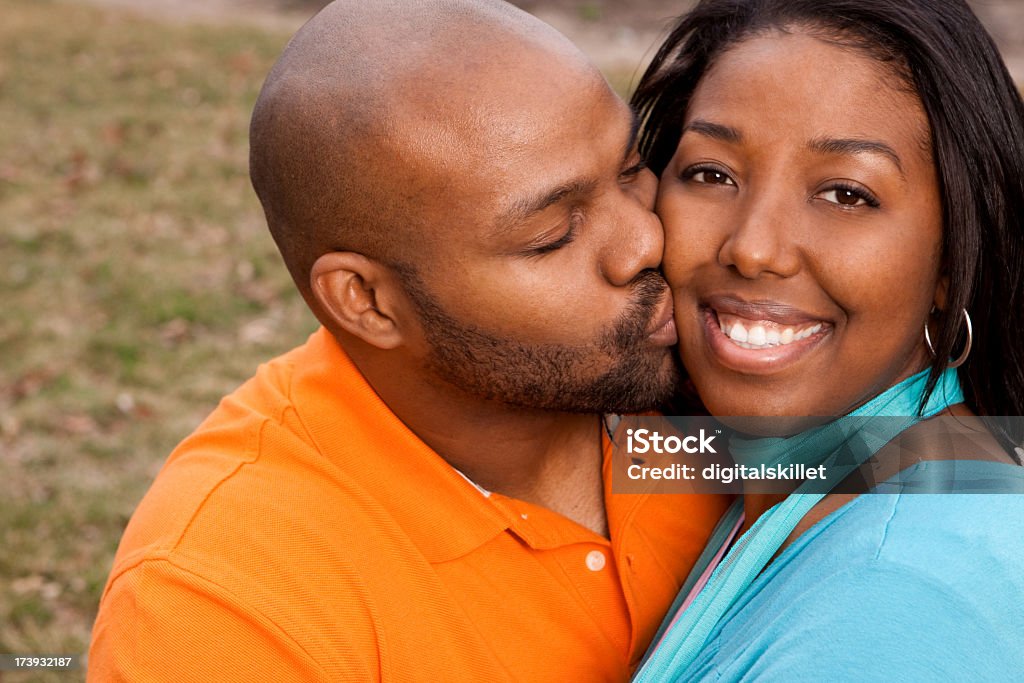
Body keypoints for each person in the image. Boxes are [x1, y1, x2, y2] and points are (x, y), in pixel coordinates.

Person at [87, 1, 732, 681]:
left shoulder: (685, 382)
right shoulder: (225, 604)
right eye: (552, 237)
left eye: (630, 169)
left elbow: (853, 473)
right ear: (366, 301)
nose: (646, 239)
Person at [628, 0, 1024, 679]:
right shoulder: (785, 479)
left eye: (846, 194)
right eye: (712, 174)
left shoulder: (898, 595)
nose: (753, 247)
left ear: (953, 259)